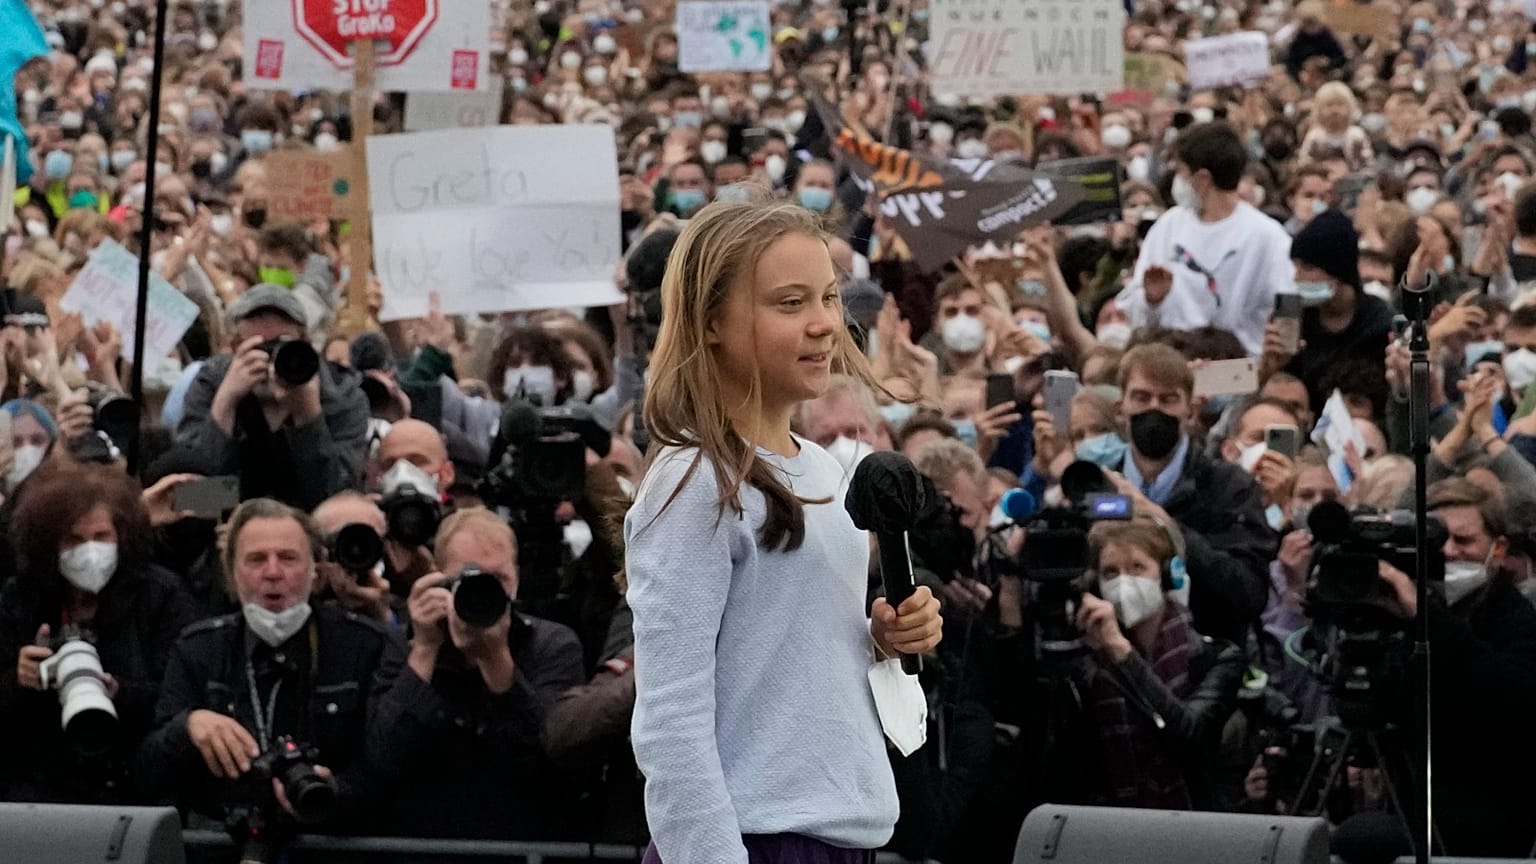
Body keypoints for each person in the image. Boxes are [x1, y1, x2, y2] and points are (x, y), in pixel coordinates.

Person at [625, 201, 942, 864]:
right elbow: (670, 720)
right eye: (790, 302)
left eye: (827, 297)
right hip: (750, 844)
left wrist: (882, 644)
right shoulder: (693, 480)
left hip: (841, 836)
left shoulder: (826, 469)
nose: (824, 323)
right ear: (711, 322)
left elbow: (789, 672)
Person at [138, 499, 402, 845]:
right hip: (223, 841)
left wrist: (337, 790)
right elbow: (149, 769)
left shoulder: (364, 645)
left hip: (327, 843)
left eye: (288, 558)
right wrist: (188, 725)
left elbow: (387, 765)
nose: (273, 572)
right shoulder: (198, 648)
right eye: (256, 559)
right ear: (232, 573)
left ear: (315, 570)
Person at [366, 508, 585, 839]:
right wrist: (425, 648)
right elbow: (382, 758)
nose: (484, 590)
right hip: (421, 843)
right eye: (468, 578)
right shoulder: (405, 644)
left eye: (498, 579)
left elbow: (551, 760)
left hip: (522, 840)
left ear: (517, 577)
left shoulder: (552, 644)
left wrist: (495, 658)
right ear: (439, 580)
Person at [0, 463, 194, 803]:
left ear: (121, 536)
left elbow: (179, 696)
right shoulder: (19, 598)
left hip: (135, 781)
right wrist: (19, 680)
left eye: (101, 537)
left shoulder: (162, 595)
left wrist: (119, 692)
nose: (90, 551)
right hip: (40, 785)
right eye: (74, 539)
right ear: (49, 543)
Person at [1107, 344, 1274, 643]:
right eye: (1142, 397)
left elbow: (1248, 593)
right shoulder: (1100, 485)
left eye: (1168, 399)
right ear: (1121, 410)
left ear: (1190, 410)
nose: (1154, 409)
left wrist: (1166, 526)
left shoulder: (1229, 486)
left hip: (1206, 654)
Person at [1074, 517, 1243, 808]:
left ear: (1167, 574)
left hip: (1191, 822)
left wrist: (1121, 651)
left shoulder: (1216, 658)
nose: (1123, 582)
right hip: (1108, 824)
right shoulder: (1090, 660)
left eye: (1137, 568)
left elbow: (1188, 733)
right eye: (1110, 572)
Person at [175, 285, 369, 511]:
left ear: (305, 343)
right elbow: (190, 497)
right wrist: (225, 403)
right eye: (260, 346)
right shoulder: (212, 382)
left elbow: (337, 499)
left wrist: (308, 418)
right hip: (228, 522)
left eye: (281, 345)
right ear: (235, 347)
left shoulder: (342, 393)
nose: (271, 359)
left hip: (313, 523)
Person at [1115, 123, 1295, 356]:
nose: (1177, 182)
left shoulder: (1267, 236)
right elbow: (1136, 309)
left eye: (1181, 172)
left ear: (1202, 178)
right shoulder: (1169, 226)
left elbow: (1286, 308)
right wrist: (1153, 299)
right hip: (1175, 362)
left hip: (1239, 367)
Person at [1261, 211, 1393, 413]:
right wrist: (1273, 367)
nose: (1297, 277)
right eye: (1295, 266)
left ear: (1338, 271)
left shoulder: (1380, 323)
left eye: (1308, 267)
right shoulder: (1297, 317)